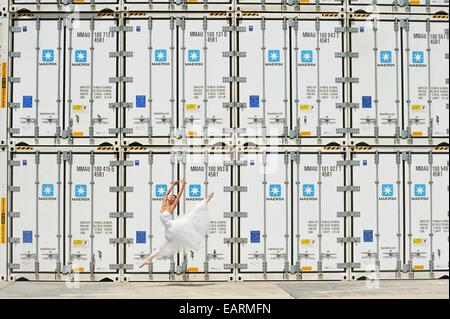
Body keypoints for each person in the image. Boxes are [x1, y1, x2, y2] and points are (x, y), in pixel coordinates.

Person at [139, 179, 214, 268]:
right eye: (171, 197)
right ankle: (145, 261)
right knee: (159, 249)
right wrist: (173, 185)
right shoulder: (164, 204)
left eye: (174, 198)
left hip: (174, 226)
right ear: (168, 198)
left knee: (191, 216)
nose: (172, 198)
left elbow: (179, 195)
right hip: (169, 231)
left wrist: (183, 185)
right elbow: (166, 193)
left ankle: (206, 199)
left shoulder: (172, 207)